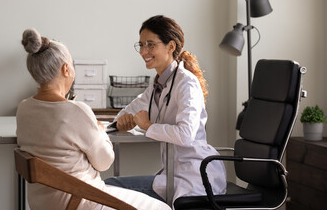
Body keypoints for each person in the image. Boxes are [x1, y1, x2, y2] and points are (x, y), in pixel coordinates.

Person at [16, 28, 171, 210]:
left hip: (43, 203)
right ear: (66, 69)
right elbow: (104, 162)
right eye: (71, 65)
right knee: (164, 208)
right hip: (81, 200)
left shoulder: (24, 108)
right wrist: (99, 131)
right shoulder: (76, 111)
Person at [104, 15, 227, 203]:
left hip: (194, 176)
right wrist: (122, 122)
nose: (143, 51)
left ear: (170, 47)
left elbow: (185, 135)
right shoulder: (157, 86)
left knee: (110, 187)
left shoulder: (187, 84)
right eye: (141, 45)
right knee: (111, 187)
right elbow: (124, 115)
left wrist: (147, 125)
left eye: (150, 45)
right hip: (173, 173)